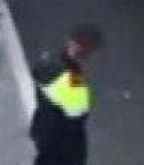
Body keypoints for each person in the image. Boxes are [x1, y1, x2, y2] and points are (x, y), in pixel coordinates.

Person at [30, 25, 103, 165]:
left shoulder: (47, 60)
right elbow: (75, 128)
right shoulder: (75, 86)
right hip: (61, 150)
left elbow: (36, 76)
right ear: (90, 52)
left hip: (43, 134)